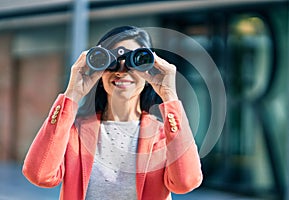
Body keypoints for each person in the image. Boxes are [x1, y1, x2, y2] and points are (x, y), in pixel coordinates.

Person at [22, 25, 203, 200]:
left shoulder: (164, 135)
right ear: (100, 71)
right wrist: (73, 94)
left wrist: (170, 96)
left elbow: (186, 182)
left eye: (135, 62)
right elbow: (38, 174)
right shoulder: (74, 133)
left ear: (148, 69)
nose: (122, 72)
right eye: (112, 62)